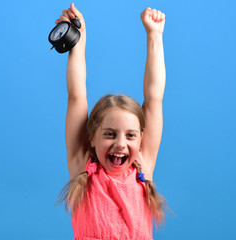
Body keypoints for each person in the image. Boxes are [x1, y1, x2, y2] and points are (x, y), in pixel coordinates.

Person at [56, 3, 170, 239]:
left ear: (141, 138)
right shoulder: (83, 167)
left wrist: (155, 36)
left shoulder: (142, 165)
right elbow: (77, 95)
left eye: (130, 135)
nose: (120, 143)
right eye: (109, 133)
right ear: (92, 137)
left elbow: (154, 97)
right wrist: (78, 42)